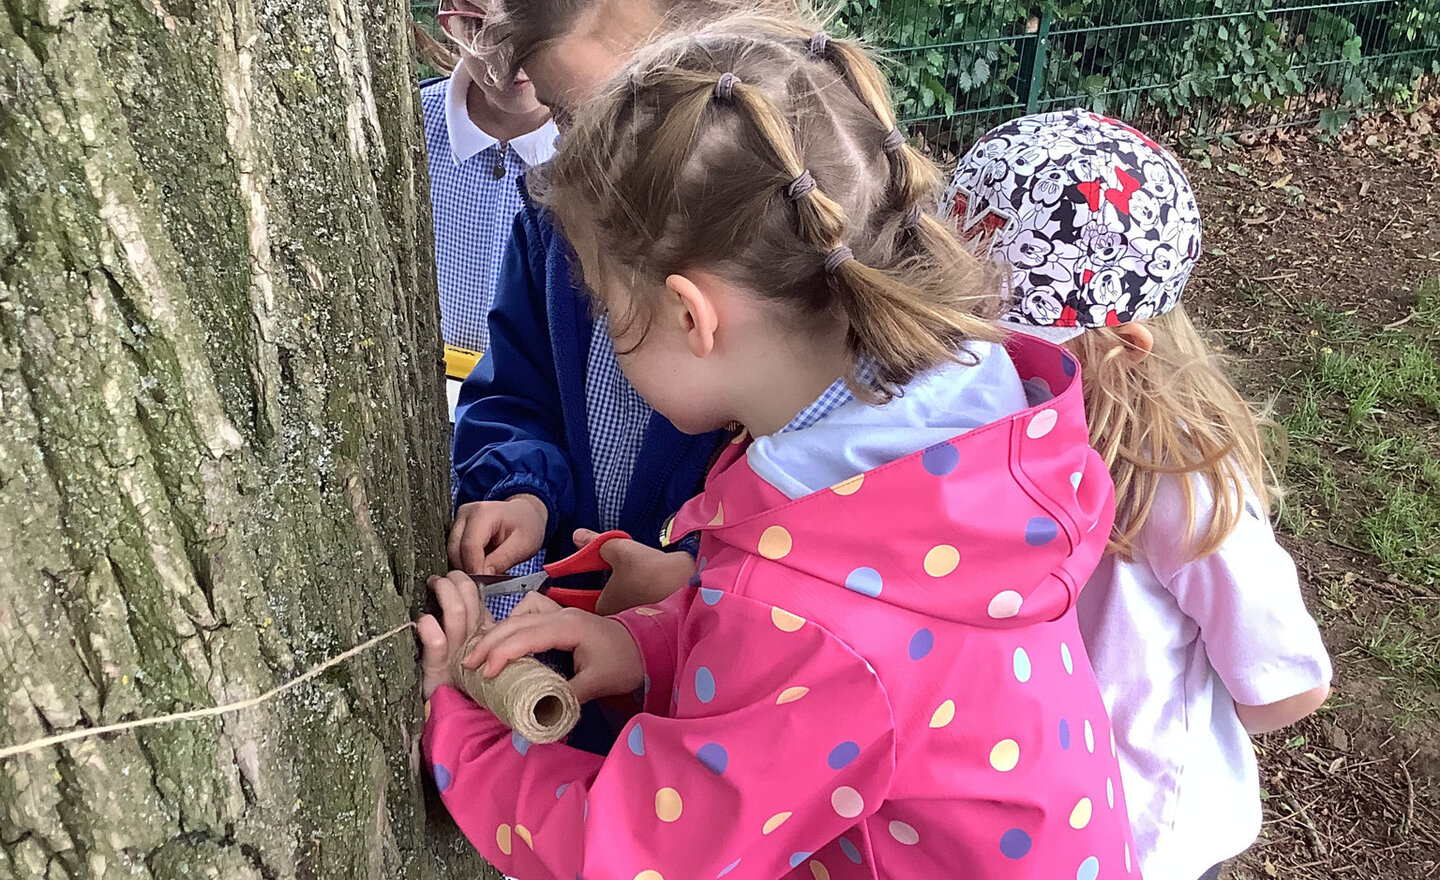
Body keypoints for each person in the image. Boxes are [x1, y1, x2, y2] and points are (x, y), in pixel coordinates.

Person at [418, 22, 1139, 878]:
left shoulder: (809, 611)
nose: (606, 336)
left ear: (693, 317)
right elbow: (829, 669)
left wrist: (458, 727)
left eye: (611, 315)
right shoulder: (947, 444)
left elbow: (635, 855)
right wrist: (652, 643)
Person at [945, 109, 1333, 880]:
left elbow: (1286, 681)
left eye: (1013, 354)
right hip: (1080, 823)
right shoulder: (1164, 474)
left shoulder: (1176, 483)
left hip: (1116, 835)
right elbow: (1279, 688)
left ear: (1124, 349)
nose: (983, 375)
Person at [446, 0, 790, 617]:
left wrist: (695, 573)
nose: (574, 150)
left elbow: (806, 518)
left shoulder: (788, 274)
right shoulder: (556, 225)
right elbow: (516, 392)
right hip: (574, 631)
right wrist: (525, 491)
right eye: (563, 114)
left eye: (609, 110)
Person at [422, 0, 557, 358]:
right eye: (479, 27)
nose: (508, 56)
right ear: (450, 26)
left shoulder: (606, 151)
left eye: (530, 23)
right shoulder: (409, 127)